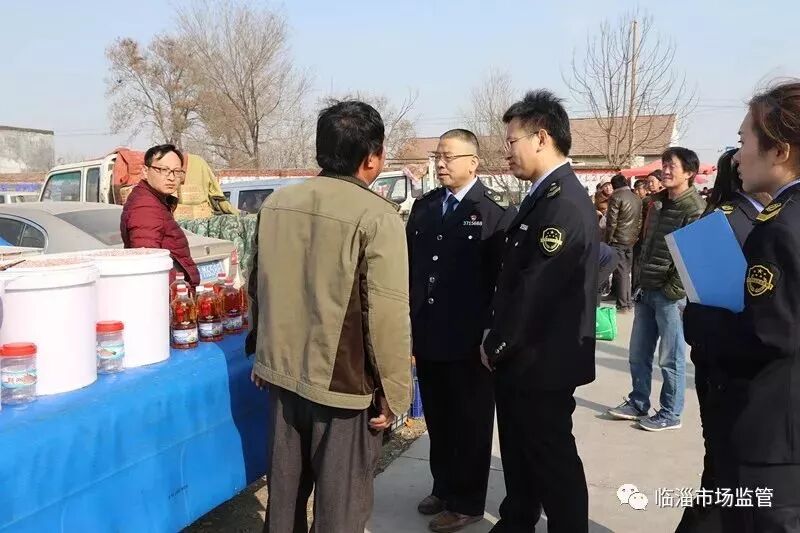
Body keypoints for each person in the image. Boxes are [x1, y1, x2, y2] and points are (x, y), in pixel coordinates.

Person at [246, 100, 411, 532]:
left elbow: (257, 284)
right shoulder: (377, 216)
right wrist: (395, 393)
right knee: (340, 511)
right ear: (372, 157)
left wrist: (261, 353)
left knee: (283, 503)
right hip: (343, 388)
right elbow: (388, 314)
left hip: (281, 376)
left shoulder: (277, 203)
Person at [481, 90, 598, 532]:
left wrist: (496, 343)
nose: (506, 151)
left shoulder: (562, 202)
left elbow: (535, 289)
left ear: (541, 138)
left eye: (512, 141)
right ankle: (517, 519)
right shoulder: (543, 194)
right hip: (526, 357)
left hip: (543, 358)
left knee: (552, 460)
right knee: (520, 449)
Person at [690, 81, 800, 532]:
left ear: (779, 151)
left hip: (773, 436)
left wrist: (701, 318)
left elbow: (768, 336)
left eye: (743, 141)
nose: (736, 157)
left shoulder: (781, 227)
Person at [406, 129, 516, 533]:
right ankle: (444, 486)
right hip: (429, 333)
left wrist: (492, 333)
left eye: (449, 157)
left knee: (470, 423)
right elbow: (412, 269)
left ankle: (467, 502)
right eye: (438, 156)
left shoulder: (493, 213)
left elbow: (504, 282)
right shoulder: (425, 207)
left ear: (473, 162)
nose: (441, 163)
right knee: (438, 418)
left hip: (471, 341)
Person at [676, 149, 769, 532]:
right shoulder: (728, 223)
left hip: (730, 371)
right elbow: (702, 319)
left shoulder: (753, 220)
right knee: (723, 478)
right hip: (729, 375)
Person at [607, 147, 705, 432]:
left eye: (672, 165)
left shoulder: (695, 208)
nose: (666, 170)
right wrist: (640, 279)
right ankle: (638, 402)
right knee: (639, 353)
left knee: (670, 357)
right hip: (646, 287)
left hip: (669, 295)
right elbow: (646, 245)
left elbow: (693, 257)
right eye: (664, 164)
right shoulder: (657, 203)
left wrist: (673, 290)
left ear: (689, 172)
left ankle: (671, 412)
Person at [121, 144, 200, 286]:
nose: (171, 178)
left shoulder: (157, 201)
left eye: (177, 171)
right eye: (164, 170)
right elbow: (149, 263)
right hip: (166, 294)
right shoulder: (145, 207)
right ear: (145, 171)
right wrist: (177, 293)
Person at [605, 173, 642, 312]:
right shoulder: (636, 197)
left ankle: (624, 304)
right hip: (631, 239)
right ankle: (622, 298)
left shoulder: (616, 197)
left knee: (621, 271)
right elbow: (639, 220)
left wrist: (608, 239)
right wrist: (635, 236)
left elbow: (611, 222)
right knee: (625, 270)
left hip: (618, 239)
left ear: (614, 185)